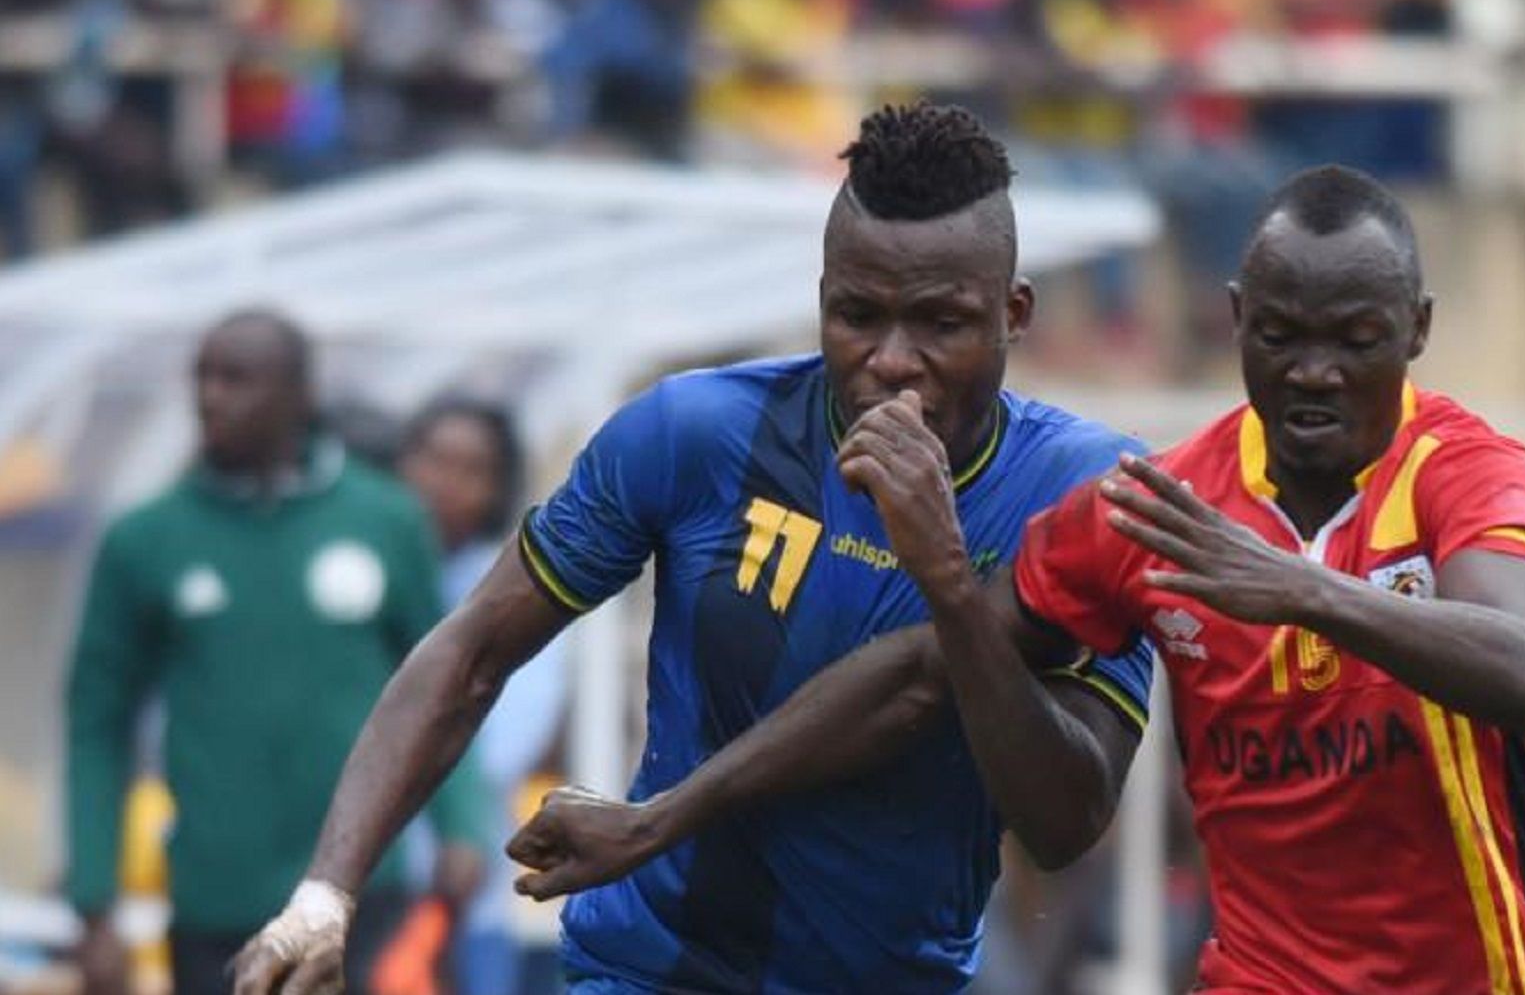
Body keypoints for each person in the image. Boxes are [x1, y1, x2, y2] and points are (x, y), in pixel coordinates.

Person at [520, 165, 1525, 993]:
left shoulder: (1468, 473)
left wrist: (1300, 589)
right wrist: (664, 816)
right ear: (1234, 320)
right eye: (1281, 335)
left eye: (1356, 340)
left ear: (1418, 332)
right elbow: (923, 676)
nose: (1314, 371)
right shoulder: (1156, 503)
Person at [232, 103, 1154, 995]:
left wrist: (947, 580)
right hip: (646, 972)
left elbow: (1062, 823)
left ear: (1015, 312)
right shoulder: (696, 432)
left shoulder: (1088, 492)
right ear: (821, 298)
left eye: (942, 324)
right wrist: (324, 898)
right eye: (857, 315)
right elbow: (472, 652)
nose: (893, 359)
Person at [65, 310, 488, 995]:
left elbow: (445, 684)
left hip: (362, 895)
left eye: (236, 378)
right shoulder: (145, 539)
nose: (210, 395)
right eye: (202, 376)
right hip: (215, 905)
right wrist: (93, 901)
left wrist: (461, 825)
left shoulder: (386, 520)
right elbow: (96, 722)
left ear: (299, 394)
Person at [395, 399, 565, 995]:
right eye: (434, 460)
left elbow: (505, 743)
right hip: (368, 890)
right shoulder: (372, 577)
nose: (445, 484)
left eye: (472, 470)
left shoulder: (520, 590)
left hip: (465, 896)